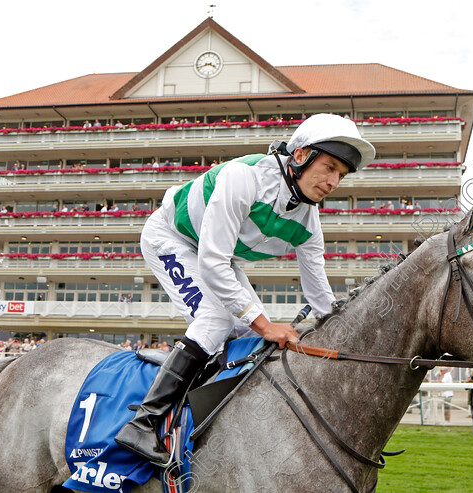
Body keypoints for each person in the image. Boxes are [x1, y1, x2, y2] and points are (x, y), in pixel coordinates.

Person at [115, 114, 376, 464]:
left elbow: (320, 297)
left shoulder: (309, 223)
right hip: (172, 238)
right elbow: (212, 262)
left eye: (341, 175)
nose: (333, 182)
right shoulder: (244, 177)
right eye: (329, 167)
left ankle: (207, 415)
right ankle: (142, 422)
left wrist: (346, 341)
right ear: (300, 156)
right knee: (217, 321)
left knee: (245, 331)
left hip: (216, 254)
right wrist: (266, 324)